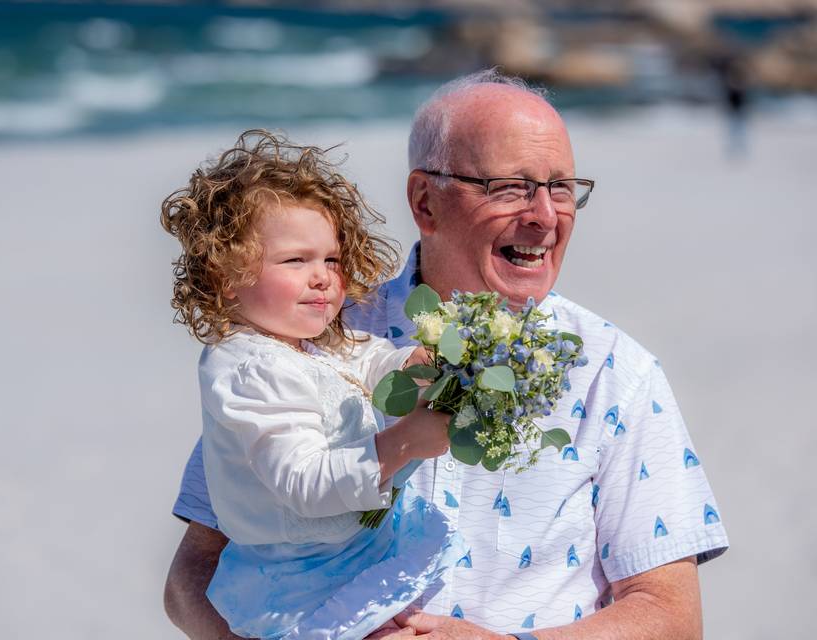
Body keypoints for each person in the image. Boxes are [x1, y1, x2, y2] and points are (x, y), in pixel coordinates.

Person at [165, 70, 729, 640]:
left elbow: (670, 617)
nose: (545, 215)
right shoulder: (308, 338)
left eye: (561, 188)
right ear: (424, 201)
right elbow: (194, 571)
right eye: (509, 186)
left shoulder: (615, 371)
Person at [160, 130, 466, 639]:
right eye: (295, 261)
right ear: (226, 275)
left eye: (331, 259)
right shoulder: (248, 368)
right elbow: (302, 483)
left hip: (347, 555)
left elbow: (369, 362)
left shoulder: (309, 341)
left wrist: (415, 364)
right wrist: (404, 442)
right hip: (300, 584)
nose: (322, 277)